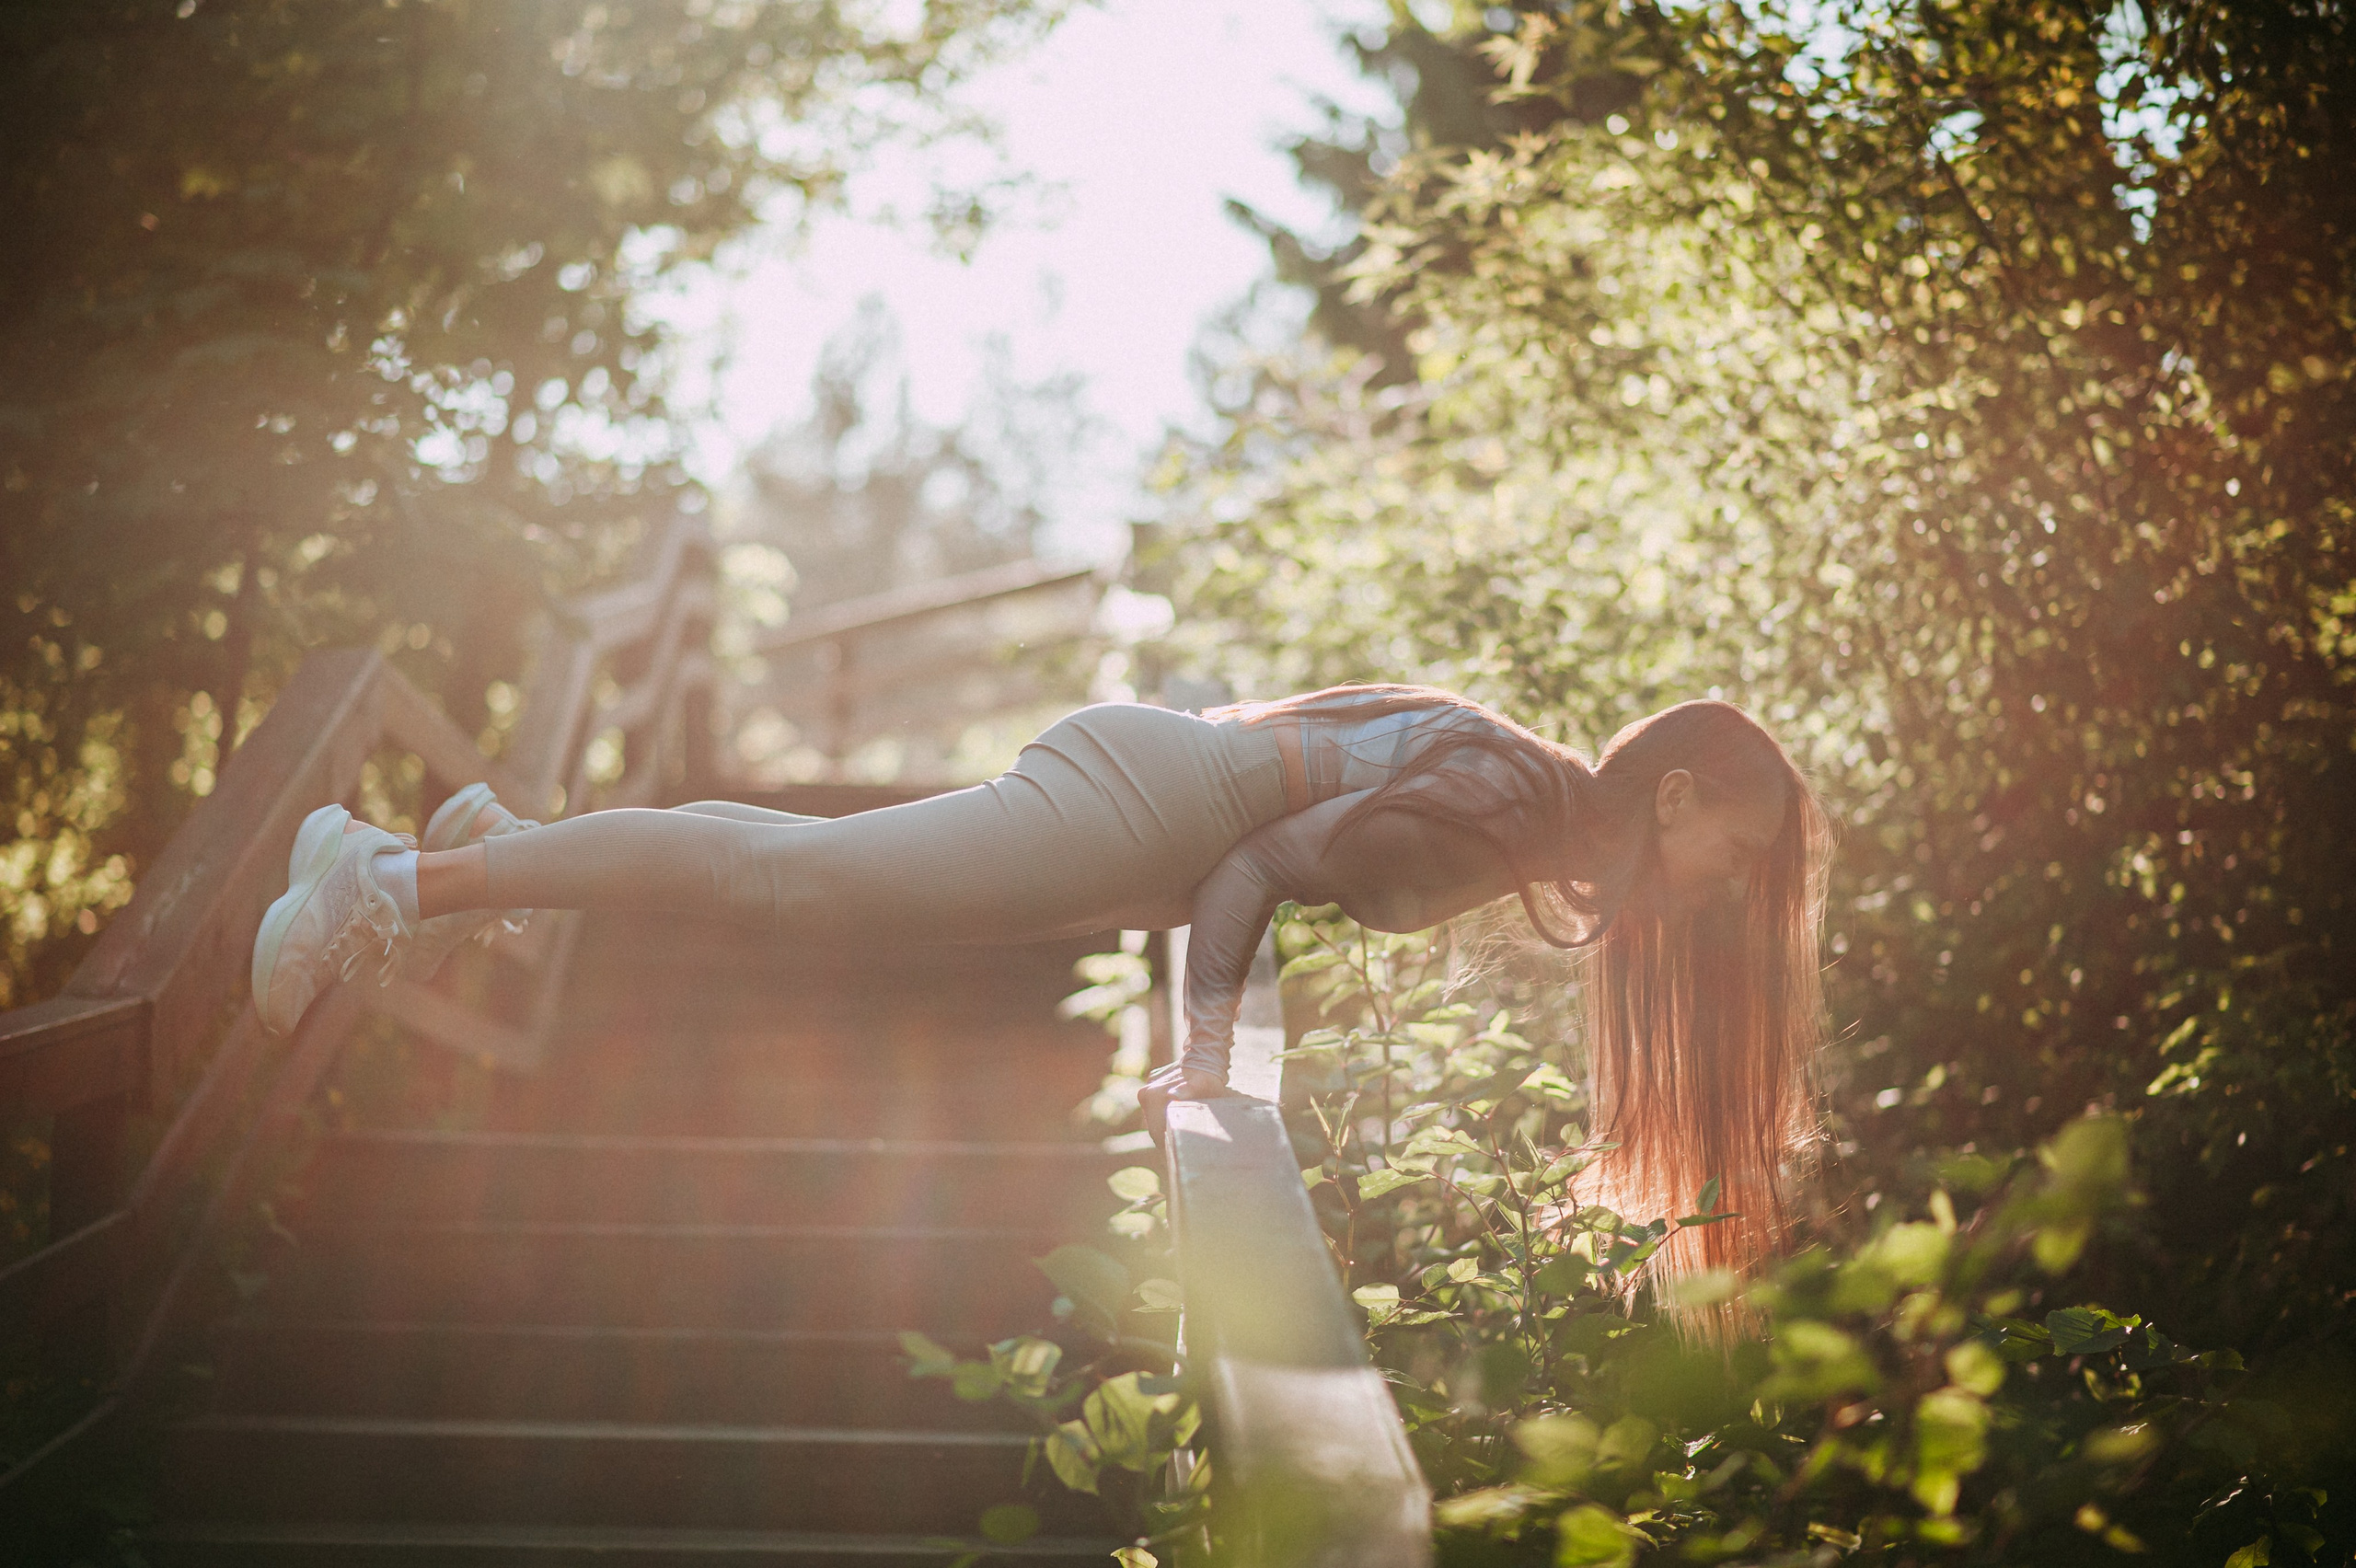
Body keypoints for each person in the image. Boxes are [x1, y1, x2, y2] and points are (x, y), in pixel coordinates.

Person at [250, 684, 1830, 1270]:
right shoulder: (1505, 813)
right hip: (1138, 814)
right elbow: (1256, 867)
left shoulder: (1521, 787)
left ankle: (490, 846)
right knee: (778, 877)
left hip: (1141, 787)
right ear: (1677, 801)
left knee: (778, 867)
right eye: (1737, 860)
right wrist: (1207, 1053)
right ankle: (388, 880)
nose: (1725, 899)